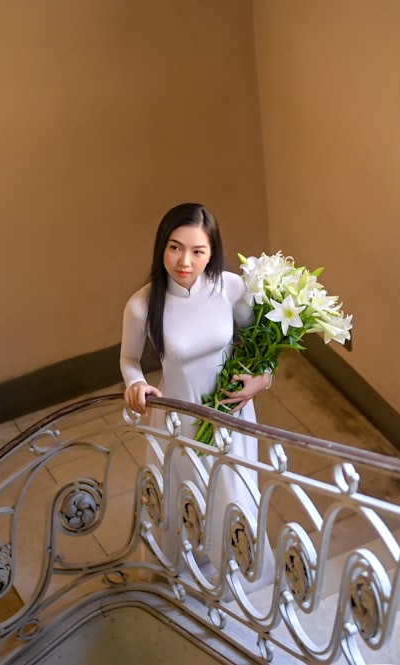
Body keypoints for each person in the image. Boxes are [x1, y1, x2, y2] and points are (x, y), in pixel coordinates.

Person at [119, 202, 273, 584]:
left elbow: (261, 341)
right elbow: (128, 359)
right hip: (178, 418)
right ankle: (180, 571)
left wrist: (262, 378)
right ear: (162, 247)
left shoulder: (230, 287)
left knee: (235, 492)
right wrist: (135, 383)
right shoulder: (141, 305)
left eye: (197, 251)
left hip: (231, 413)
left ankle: (238, 573)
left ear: (211, 252)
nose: (184, 260)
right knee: (186, 497)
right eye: (175, 247)